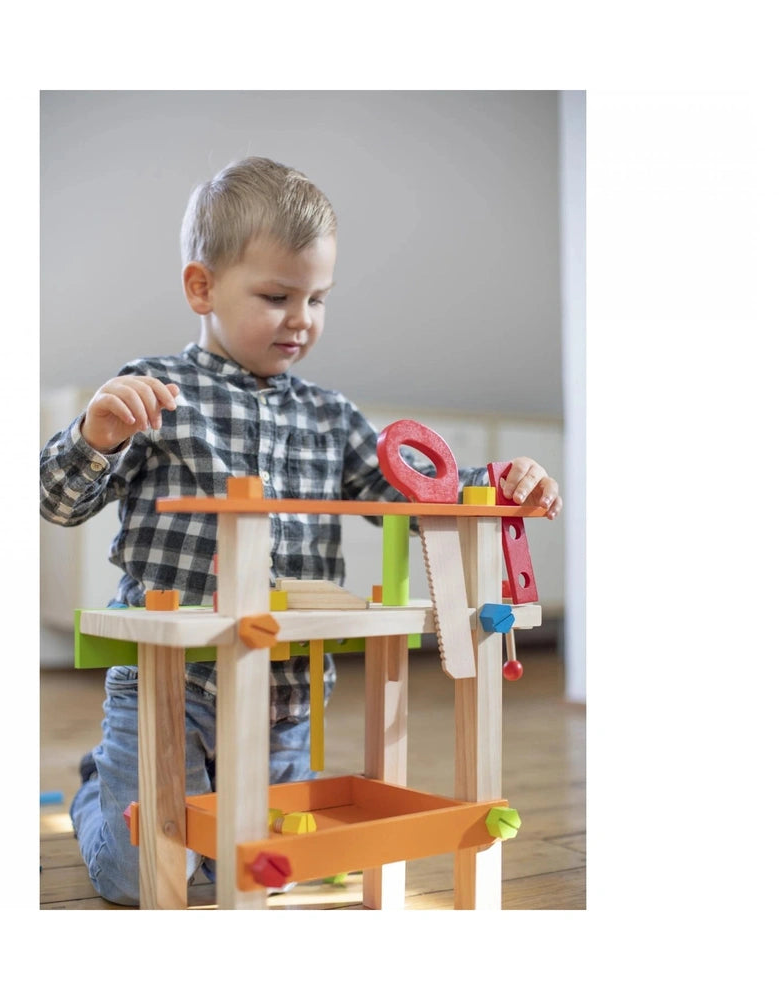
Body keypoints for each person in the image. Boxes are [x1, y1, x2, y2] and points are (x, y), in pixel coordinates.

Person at [39, 156, 562, 905]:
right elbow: (57, 504)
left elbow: (414, 493)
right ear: (202, 288)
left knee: (273, 866)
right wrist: (95, 436)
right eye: (277, 296)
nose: (302, 319)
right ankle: (99, 788)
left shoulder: (332, 416)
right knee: (145, 879)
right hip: (169, 690)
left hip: (281, 698)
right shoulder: (152, 394)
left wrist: (496, 483)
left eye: (318, 298)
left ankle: (165, 802)